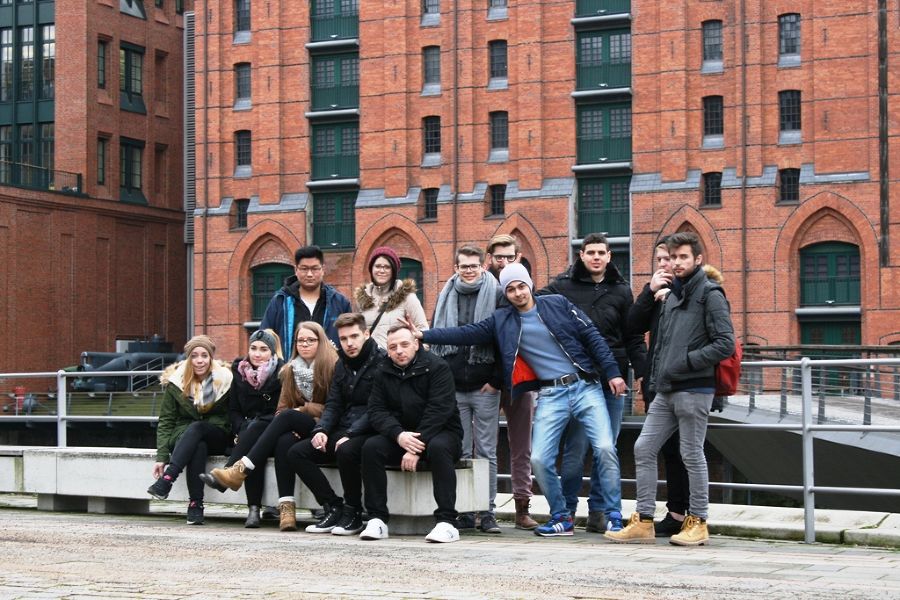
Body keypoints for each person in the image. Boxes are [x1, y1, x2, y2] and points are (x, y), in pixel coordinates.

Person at [414, 263, 627, 538]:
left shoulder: (557, 304)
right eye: (511, 289)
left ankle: (614, 516)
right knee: (539, 458)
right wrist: (424, 334)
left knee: (605, 447)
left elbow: (592, 336)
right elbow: (468, 333)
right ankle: (562, 516)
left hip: (585, 386)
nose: (517, 293)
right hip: (551, 394)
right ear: (506, 293)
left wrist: (612, 372)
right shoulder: (503, 320)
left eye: (521, 286)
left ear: (530, 285)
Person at [606, 232, 735, 546]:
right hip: (665, 387)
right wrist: (660, 374)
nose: (676, 263)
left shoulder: (710, 293)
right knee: (643, 448)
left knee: (691, 453)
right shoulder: (670, 294)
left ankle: (699, 522)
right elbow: (645, 333)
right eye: (672, 257)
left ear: (697, 259)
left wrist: (686, 361)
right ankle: (644, 520)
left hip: (694, 388)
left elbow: (725, 343)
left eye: (683, 257)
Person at [538, 233, 647, 533]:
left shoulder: (622, 290)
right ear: (581, 256)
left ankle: (598, 510)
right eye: (591, 252)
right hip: (577, 378)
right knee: (575, 450)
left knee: (606, 448)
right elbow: (529, 303)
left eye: (601, 252)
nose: (596, 257)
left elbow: (633, 335)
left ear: (610, 256)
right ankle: (568, 509)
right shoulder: (562, 286)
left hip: (611, 379)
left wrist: (642, 372)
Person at [200, 321, 338, 531]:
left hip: (326, 427)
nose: (305, 344)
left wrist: (303, 410)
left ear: (321, 342)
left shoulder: (332, 366)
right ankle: (287, 509)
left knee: (283, 419)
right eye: (301, 340)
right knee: (284, 441)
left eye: (311, 340)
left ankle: (239, 469)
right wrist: (291, 418)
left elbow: (335, 406)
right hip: (297, 427)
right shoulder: (290, 369)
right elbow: (281, 409)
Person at [358, 325, 464, 543]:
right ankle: (377, 519)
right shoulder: (382, 371)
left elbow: (439, 410)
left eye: (404, 344)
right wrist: (398, 436)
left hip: (441, 433)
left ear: (416, 344)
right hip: (402, 435)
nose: (399, 351)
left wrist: (417, 445)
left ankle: (447, 522)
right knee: (371, 447)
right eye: (393, 347)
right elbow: (377, 410)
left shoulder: (437, 367)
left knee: (438, 447)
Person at [285, 313, 384, 535]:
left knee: (346, 450)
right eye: (344, 339)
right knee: (297, 452)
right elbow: (334, 404)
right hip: (344, 428)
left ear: (366, 334)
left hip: (370, 430)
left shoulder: (381, 362)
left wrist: (349, 433)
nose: (349, 343)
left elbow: (378, 409)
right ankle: (332, 505)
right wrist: (321, 430)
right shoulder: (342, 365)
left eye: (354, 336)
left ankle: (354, 512)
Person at [430, 245, 503, 533]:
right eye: (464, 266)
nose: (469, 271)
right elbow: (440, 341)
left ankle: (486, 511)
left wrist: (496, 380)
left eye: (474, 265)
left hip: (485, 386)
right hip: (453, 387)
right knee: (458, 450)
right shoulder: (446, 293)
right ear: (456, 267)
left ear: (483, 266)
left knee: (487, 451)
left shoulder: (496, 293)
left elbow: (503, 341)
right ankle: (461, 510)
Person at [625, 236, 691, 537]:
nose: (666, 264)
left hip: (688, 382)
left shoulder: (693, 289)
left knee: (686, 451)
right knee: (660, 448)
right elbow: (633, 327)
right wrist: (649, 293)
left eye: (671, 258)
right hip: (658, 382)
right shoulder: (654, 291)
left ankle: (684, 514)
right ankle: (663, 514)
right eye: (662, 260)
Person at [147, 335, 233, 525]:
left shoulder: (225, 379)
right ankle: (195, 504)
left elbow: (233, 413)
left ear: (211, 357)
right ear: (188, 358)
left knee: (199, 429)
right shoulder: (176, 382)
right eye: (194, 356)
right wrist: (161, 456)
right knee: (198, 445)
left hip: (217, 433)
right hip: (184, 436)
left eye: (204, 355)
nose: (199, 360)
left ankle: (168, 479)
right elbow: (166, 420)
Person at [485, 233, 538, 529]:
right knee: (484, 446)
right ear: (489, 259)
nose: (502, 261)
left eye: (508, 256)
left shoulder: (522, 290)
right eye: (497, 257)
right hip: (489, 381)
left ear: (517, 258)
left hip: (520, 380)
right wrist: (493, 377)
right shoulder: (484, 291)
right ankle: (484, 507)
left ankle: (522, 507)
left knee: (522, 446)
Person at [220, 329, 285, 528]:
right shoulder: (239, 372)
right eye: (253, 348)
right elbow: (233, 409)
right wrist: (241, 430)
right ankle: (253, 510)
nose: (257, 354)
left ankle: (230, 472)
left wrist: (248, 429)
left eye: (264, 349)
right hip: (247, 434)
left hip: (273, 432)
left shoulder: (281, 373)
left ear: (272, 352)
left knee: (256, 435)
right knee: (252, 447)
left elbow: (279, 411)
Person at [260, 245, 352, 354]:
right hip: (289, 369)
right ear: (296, 270)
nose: (309, 274)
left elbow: (350, 339)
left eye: (314, 269)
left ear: (323, 269)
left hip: (330, 369)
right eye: (304, 269)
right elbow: (264, 339)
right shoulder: (280, 301)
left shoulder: (339, 302)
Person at [353, 246, 429, 348]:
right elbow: (356, 333)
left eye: (387, 267)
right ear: (371, 269)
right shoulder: (362, 299)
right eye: (378, 266)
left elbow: (423, 330)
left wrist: (416, 357)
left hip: (398, 360)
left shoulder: (407, 297)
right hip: (371, 362)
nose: (382, 270)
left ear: (394, 271)